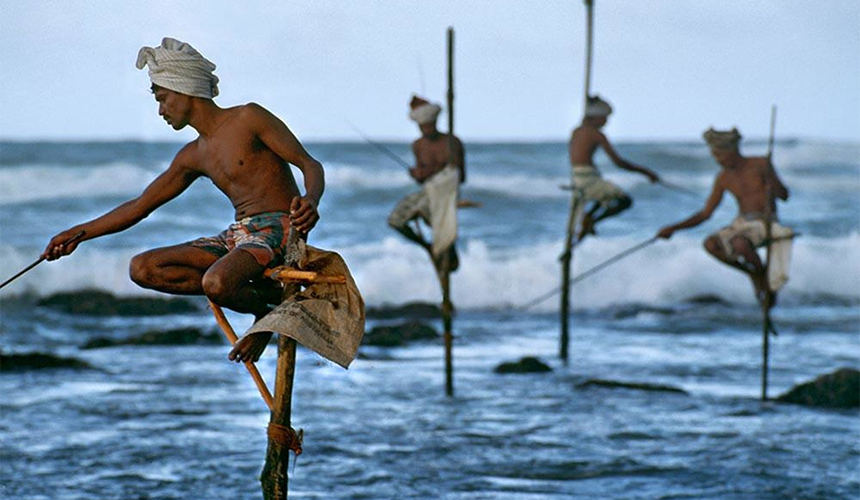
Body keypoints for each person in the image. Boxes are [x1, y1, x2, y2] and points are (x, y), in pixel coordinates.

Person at [42, 37, 324, 362]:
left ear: (184, 90)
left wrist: (311, 200)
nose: (161, 110)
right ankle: (268, 301)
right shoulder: (192, 155)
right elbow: (139, 206)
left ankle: (264, 318)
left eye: (162, 99)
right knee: (144, 268)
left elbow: (309, 164)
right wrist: (77, 234)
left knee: (216, 282)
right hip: (239, 235)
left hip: (280, 228)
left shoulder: (248, 118)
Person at [656, 127, 792, 306]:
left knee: (740, 244)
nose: (717, 160)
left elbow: (784, 195)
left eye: (720, 155)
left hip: (765, 222)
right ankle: (755, 274)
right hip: (742, 223)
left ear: (733, 151)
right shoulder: (723, 178)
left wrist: (771, 182)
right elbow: (706, 214)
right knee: (711, 244)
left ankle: (762, 279)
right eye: (714, 156)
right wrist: (674, 228)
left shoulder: (760, 164)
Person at [387, 95, 465, 270]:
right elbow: (422, 177)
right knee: (395, 220)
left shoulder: (452, 142)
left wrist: (435, 172)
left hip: (446, 192)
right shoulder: (418, 146)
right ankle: (427, 246)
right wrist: (417, 174)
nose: (426, 129)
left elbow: (460, 175)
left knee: (431, 215)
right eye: (423, 126)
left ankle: (445, 252)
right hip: (428, 192)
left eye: (428, 125)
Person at [569, 95, 659, 239]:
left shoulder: (576, 131)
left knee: (602, 198)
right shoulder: (597, 134)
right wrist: (646, 172)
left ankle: (588, 218)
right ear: (596, 116)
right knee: (624, 201)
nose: (606, 121)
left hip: (577, 178)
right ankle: (592, 220)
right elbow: (619, 162)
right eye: (605, 117)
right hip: (588, 179)